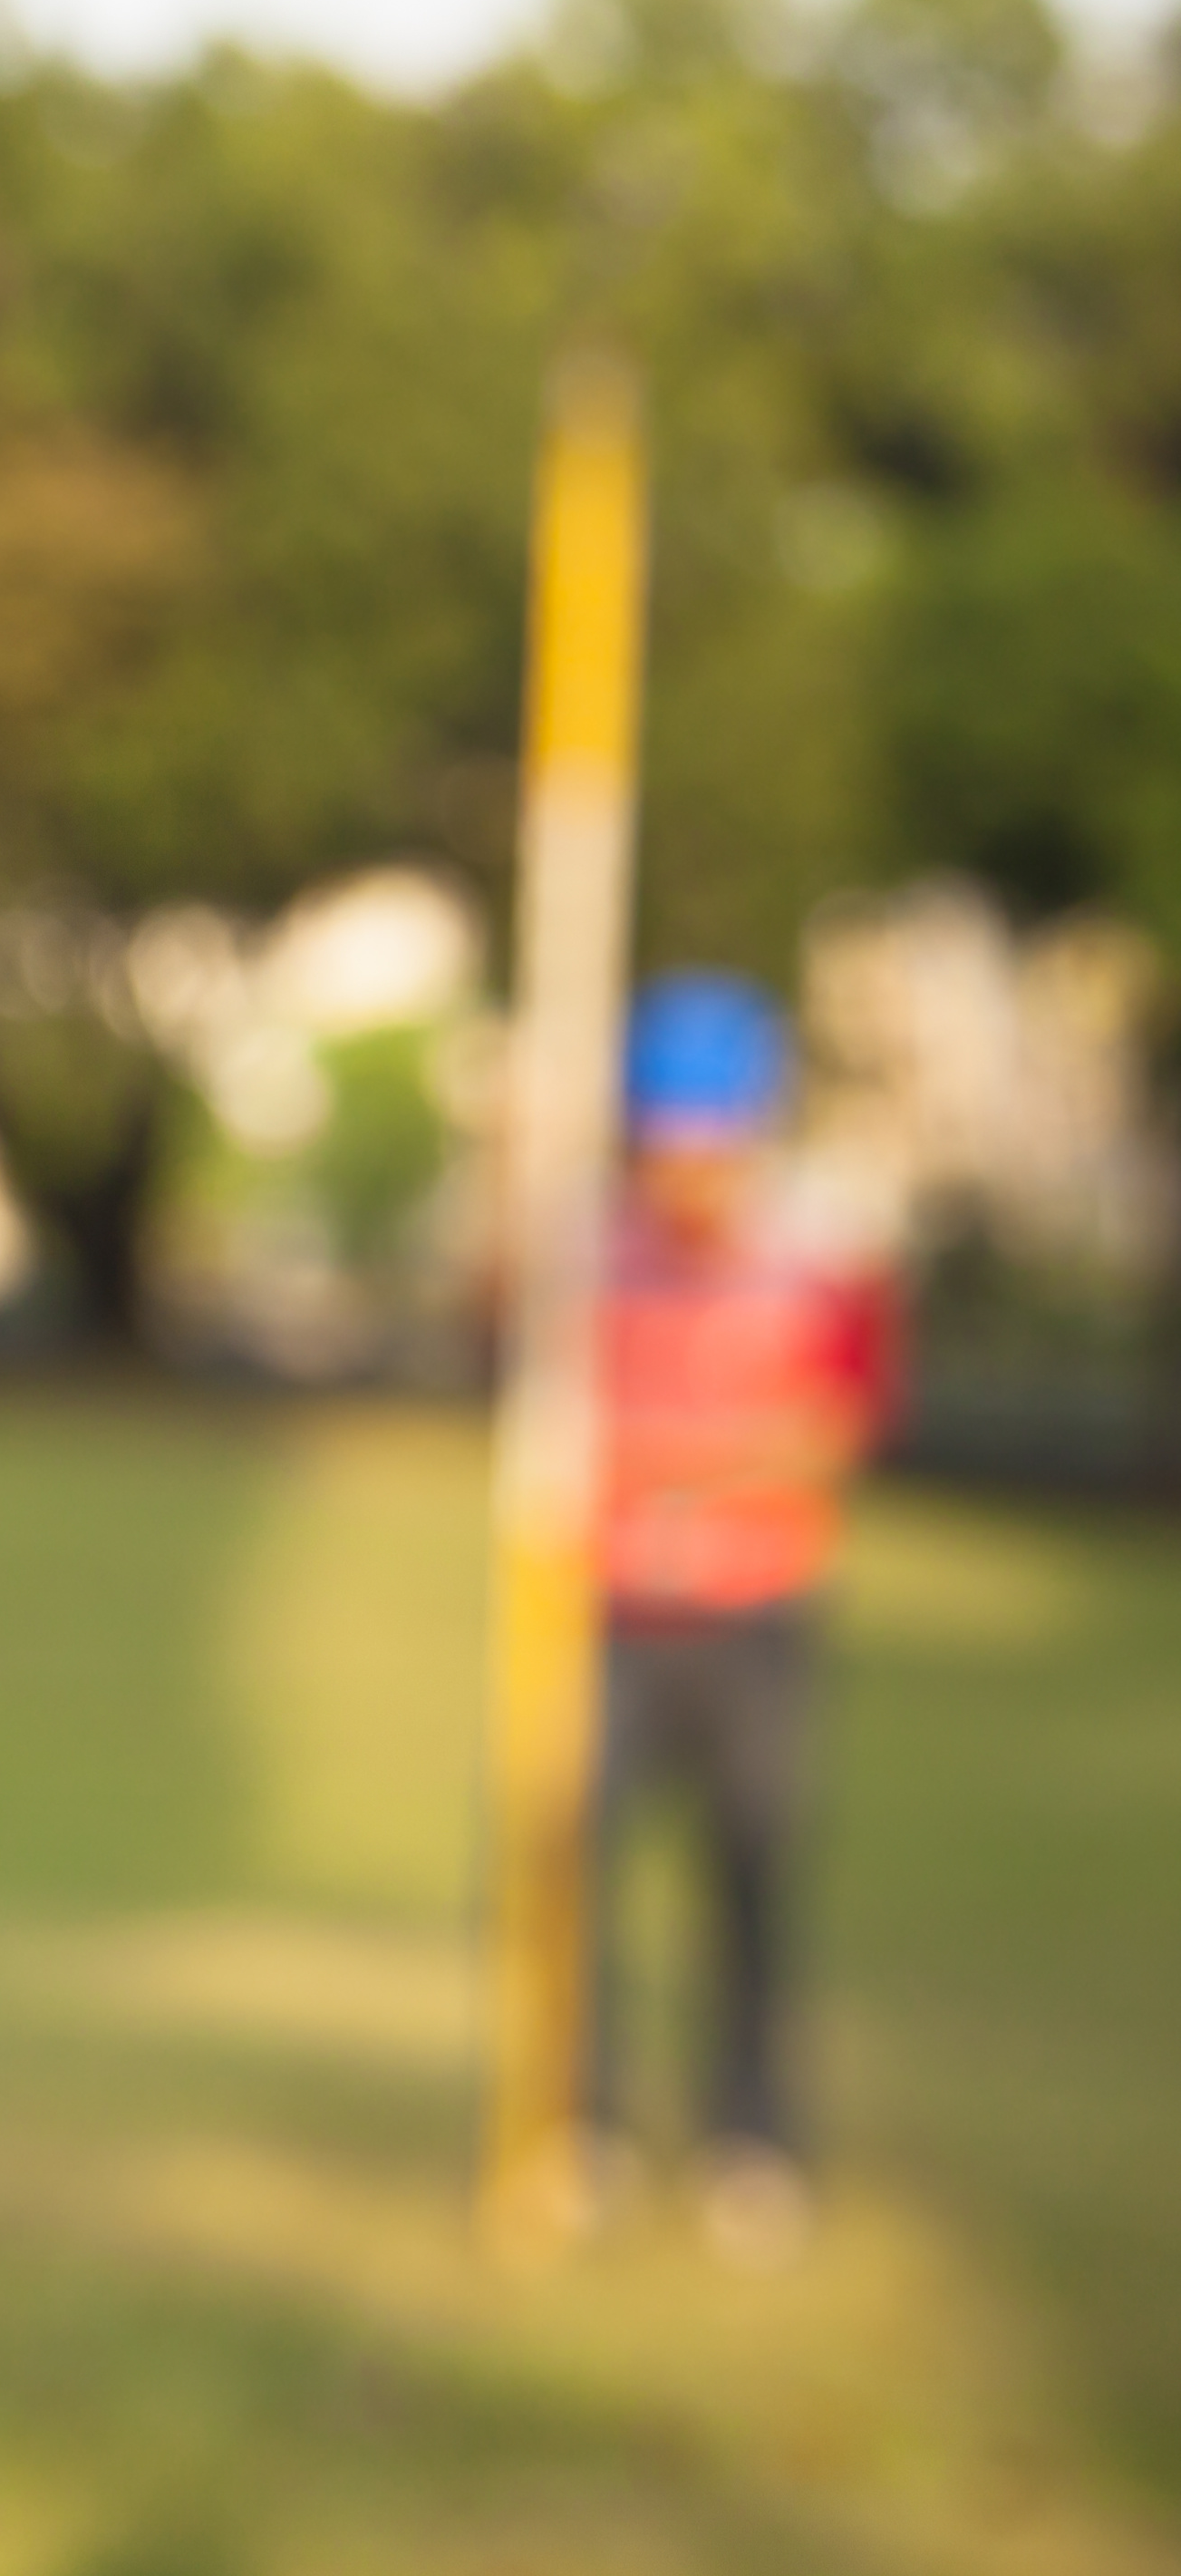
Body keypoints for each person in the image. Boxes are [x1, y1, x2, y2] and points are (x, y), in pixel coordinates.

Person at [583, 968, 898, 2265]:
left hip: (757, 1612)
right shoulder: (588, 1252)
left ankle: (750, 2140)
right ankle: (583, 2125)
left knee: (751, 1877)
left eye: (706, 1150)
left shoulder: (820, 1259)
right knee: (577, 1868)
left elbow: (826, 1437)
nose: (684, 1180)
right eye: (663, 1150)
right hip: (610, 1614)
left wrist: (686, 1473)